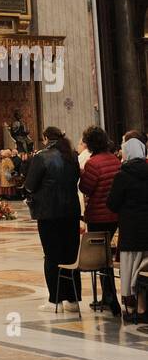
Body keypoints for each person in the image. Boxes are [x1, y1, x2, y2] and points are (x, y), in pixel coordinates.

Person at [24, 126, 82, 311]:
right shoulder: (72, 156)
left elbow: (30, 185)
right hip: (71, 212)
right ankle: (72, 300)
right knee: (70, 254)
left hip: (49, 213)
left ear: (46, 138)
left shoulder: (42, 157)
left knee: (52, 256)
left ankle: (55, 300)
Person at [78, 126, 121, 314]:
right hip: (114, 216)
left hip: (98, 215)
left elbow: (86, 188)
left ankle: (109, 297)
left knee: (101, 259)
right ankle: (109, 297)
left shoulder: (93, 163)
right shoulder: (115, 160)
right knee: (108, 258)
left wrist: (81, 175)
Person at [107, 134, 148, 324]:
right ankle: (143, 306)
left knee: (129, 269)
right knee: (145, 268)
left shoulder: (122, 176)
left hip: (130, 230)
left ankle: (131, 308)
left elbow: (112, 204)